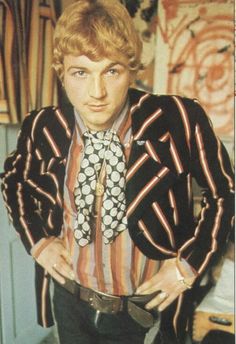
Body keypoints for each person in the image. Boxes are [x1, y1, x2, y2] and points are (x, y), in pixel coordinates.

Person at [1, 0, 234, 343]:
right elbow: (13, 180)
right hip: (71, 303)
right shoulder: (44, 126)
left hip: (146, 311)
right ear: (61, 71)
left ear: (132, 69)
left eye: (112, 71)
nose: (97, 93)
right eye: (81, 72)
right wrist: (38, 243)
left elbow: (223, 193)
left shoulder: (178, 118)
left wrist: (189, 265)